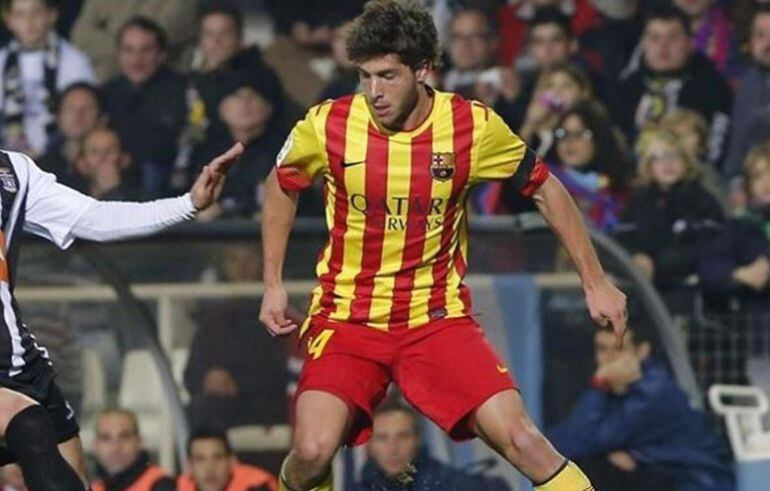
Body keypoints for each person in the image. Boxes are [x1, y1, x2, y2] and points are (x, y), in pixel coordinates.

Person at [259, 2, 627, 491]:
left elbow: (545, 188)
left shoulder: (471, 127)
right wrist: (273, 283)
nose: (375, 91)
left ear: (424, 69)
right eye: (366, 76)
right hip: (347, 319)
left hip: (434, 321)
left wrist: (595, 281)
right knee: (310, 453)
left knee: (524, 441)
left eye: (388, 75)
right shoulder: (328, 124)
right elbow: (282, 184)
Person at [0, 136, 242, 491]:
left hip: (20, 359)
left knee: (71, 475)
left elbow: (94, 217)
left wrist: (188, 204)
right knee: (27, 425)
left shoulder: (13, 173)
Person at [547, 328, 735, 491]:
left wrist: (598, 383)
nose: (609, 359)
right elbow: (561, 445)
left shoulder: (653, 393)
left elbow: (577, 442)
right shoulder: (619, 388)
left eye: (619, 349)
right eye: (602, 349)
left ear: (641, 352)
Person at [614, 5, 732, 168]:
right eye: (654, 38)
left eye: (673, 37)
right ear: (644, 44)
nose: (663, 46)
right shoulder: (626, 88)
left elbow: (715, 150)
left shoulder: (713, 88)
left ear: (690, 43)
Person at [101, 17, 187, 198]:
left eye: (146, 50)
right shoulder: (106, 94)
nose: (136, 59)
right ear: (119, 55)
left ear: (161, 54)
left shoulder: (184, 90)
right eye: (128, 50)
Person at [0, 0, 96, 156]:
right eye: (20, 14)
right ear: (9, 20)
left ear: (52, 15)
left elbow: (87, 119)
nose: (29, 21)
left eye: (36, 12)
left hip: (63, 157)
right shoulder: (2, 60)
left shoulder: (75, 62)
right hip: (9, 162)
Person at [354, 401, 508, 490]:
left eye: (403, 436)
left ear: (417, 439)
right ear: (370, 445)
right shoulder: (357, 488)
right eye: (382, 438)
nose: (393, 448)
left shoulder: (447, 482)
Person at [699, 141, 770, 314]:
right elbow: (710, 267)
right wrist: (739, 274)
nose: (766, 182)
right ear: (749, 185)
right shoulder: (741, 226)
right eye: (758, 176)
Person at [71, 0, 198, 81]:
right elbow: (80, 35)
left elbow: (152, 39)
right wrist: (126, 46)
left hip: (164, 88)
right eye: (127, 50)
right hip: (108, 85)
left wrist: (108, 33)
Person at [724, 5, 770, 178]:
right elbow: (737, 144)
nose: (768, 43)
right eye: (760, 35)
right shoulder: (749, 82)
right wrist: (735, 182)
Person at [91, 408, 175, 491]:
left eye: (124, 436)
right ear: (95, 444)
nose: (115, 447)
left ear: (139, 441)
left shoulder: (162, 486)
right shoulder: (95, 487)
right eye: (106, 438)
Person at [38, 83, 102, 190]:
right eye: (71, 108)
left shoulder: (114, 163)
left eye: (87, 108)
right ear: (58, 116)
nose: (78, 115)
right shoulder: (41, 168)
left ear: (101, 117)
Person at [176, 429, 279, 491]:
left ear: (232, 462)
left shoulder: (256, 487)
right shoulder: (175, 488)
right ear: (190, 465)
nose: (210, 468)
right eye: (200, 459)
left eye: (218, 458)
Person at [76, 127, 135, 200]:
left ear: (124, 160)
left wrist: (113, 192)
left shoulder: (140, 197)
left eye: (109, 151)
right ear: (81, 163)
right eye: (94, 151)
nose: (102, 157)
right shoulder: (70, 196)